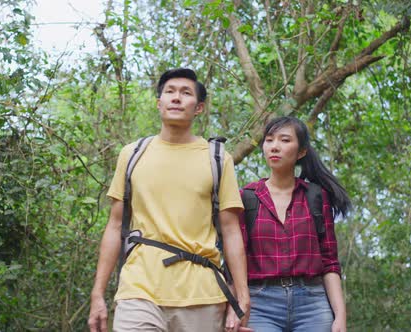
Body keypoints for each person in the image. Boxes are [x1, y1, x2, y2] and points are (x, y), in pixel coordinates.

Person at [88, 68, 250, 332]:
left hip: (202, 294)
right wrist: (98, 294)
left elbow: (231, 231)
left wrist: (241, 296)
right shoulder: (132, 154)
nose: (176, 98)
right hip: (138, 288)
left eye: (186, 93)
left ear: (198, 108)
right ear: (158, 103)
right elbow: (115, 226)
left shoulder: (218, 158)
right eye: (170, 92)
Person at [239, 116, 350, 332]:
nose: (275, 147)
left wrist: (340, 315)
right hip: (260, 304)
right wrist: (233, 309)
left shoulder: (316, 197)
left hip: (313, 304)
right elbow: (235, 259)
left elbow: (330, 262)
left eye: (285, 140)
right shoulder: (247, 197)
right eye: (269, 140)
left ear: (301, 152)